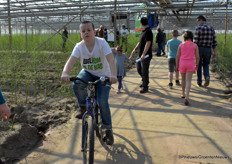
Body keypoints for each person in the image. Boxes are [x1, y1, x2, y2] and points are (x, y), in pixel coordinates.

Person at [61, 21, 117, 145]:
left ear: (94, 32)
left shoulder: (101, 43)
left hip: (104, 74)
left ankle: (108, 129)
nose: (86, 32)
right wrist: (65, 73)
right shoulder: (79, 46)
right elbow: (71, 60)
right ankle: (83, 107)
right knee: (76, 84)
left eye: (88, 30)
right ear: (81, 34)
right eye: (83, 31)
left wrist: (113, 75)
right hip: (87, 72)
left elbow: (111, 58)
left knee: (102, 102)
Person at [129, 17, 153, 93]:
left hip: (145, 55)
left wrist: (143, 54)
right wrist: (135, 49)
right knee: (139, 69)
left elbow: (148, 43)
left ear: (141, 24)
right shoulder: (143, 31)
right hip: (141, 55)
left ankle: (145, 86)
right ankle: (145, 81)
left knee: (144, 70)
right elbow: (140, 42)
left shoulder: (148, 31)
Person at [176, 31, 199, 106]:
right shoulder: (195, 45)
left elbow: (177, 56)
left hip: (182, 63)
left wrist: (177, 65)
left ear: (184, 37)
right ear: (191, 37)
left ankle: (182, 93)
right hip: (190, 64)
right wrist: (197, 64)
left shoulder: (181, 45)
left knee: (183, 79)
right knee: (188, 81)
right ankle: (187, 96)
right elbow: (197, 57)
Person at [194, 15, 217, 87]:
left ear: (201, 20)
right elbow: (214, 41)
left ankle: (199, 81)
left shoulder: (198, 28)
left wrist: (194, 51)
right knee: (206, 64)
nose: (197, 22)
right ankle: (207, 76)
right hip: (208, 49)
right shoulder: (211, 28)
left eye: (197, 21)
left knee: (199, 64)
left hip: (199, 49)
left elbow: (195, 41)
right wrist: (214, 51)